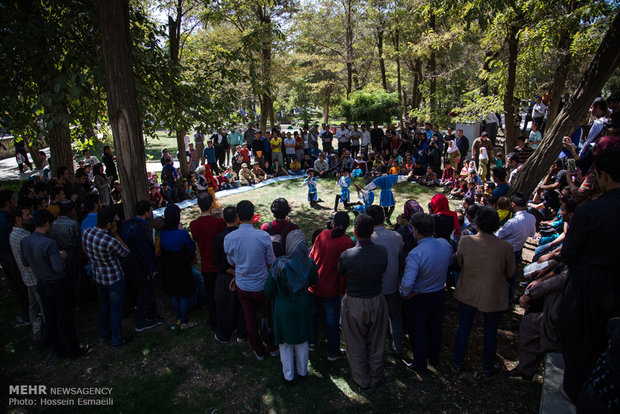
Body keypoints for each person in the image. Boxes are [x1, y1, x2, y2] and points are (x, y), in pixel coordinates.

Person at [558, 144, 620, 403]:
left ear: (603, 175)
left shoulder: (592, 210)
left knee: (581, 338)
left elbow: (569, 252)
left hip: (589, 283)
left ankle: (578, 390)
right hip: (615, 283)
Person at [451, 206, 515, 379]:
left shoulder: (466, 241)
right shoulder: (505, 247)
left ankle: (457, 362)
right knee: (490, 330)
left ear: (477, 223)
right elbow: (510, 273)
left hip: (469, 290)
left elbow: (460, 263)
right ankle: (487, 368)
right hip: (493, 293)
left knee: (464, 327)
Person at [20, 210, 89, 358]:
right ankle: (73, 349)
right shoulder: (49, 243)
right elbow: (58, 268)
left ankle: (58, 349)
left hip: (41, 283)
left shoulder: (25, 241)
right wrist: (62, 258)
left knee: (50, 317)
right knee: (65, 317)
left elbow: (25, 263)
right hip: (57, 284)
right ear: (47, 224)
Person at [338, 214, 389, 389]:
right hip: (376, 299)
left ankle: (361, 379)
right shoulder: (382, 252)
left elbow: (341, 272)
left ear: (355, 232)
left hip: (354, 302)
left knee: (354, 343)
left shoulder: (347, 255)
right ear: (373, 230)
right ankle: (376, 376)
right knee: (377, 341)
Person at [224, 200, 278, 360]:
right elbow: (271, 261)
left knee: (249, 317)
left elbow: (231, 262)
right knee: (270, 315)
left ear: (238, 217)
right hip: (260, 285)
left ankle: (258, 350)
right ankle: (273, 346)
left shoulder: (230, 238)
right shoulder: (262, 236)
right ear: (253, 215)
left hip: (243, 284)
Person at [400, 213, 453, 372]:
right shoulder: (445, 244)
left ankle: (420, 363)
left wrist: (404, 293)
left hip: (419, 297)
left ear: (416, 231)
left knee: (418, 330)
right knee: (436, 327)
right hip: (438, 293)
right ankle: (434, 357)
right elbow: (449, 262)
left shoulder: (416, 254)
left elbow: (407, 283)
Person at [265, 230, 318, 383]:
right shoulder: (310, 264)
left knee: (285, 343)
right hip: (303, 304)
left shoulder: (278, 265)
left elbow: (268, 290)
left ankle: (289, 375)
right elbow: (314, 280)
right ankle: (302, 372)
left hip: (283, 307)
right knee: (302, 340)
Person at [82, 206, 131, 347]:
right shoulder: (110, 241)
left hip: (98, 276)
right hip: (114, 278)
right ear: (109, 225)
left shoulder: (87, 232)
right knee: (115, 310)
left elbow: (85, 249)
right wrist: (116, 235)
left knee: (103, 306)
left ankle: (103, 334)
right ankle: (117, 338)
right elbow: (126, 252)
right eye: (114, 222)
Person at [309, 211, 354, 360]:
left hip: (314, 284)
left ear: (333, 223)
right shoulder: (347, 243)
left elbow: (311, 257)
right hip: (331, 289)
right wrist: (342, 290)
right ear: (347, 226)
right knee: (332, 320)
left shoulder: (322, 235)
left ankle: (312, 342)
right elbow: (344, 272)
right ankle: (332, 350)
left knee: (313, 316)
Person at [367, 205, 404, 358]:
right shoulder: (396, 237)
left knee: (376, 319)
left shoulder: (368, 240)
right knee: (395, 316)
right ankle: (397, 346)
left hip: (375, 286)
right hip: (393, 283)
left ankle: (377, 348)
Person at [121, 201, 163, 332]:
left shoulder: (127, 224)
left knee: (139, 292)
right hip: (140, 266)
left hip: (129, 264)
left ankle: (143, 316)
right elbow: (144, 251)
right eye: (150, 210)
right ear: (146, 212)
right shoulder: (139, 229)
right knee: (145, 293)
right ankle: (146, 319)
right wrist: (153, 267)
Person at [189, 191, 226, 331]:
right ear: (211, 204)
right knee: (221, 293)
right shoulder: (218, 223)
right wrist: (221, 213)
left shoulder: (193, 224)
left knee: (210, 294)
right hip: (218, 264)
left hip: (205, 264)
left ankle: (213, 319)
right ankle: (223, 317)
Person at [160, 205, 198, 330]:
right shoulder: (182, 234)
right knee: (183, 294)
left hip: (168, 267)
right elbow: (191, 248)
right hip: (182, 267)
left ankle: (178, 318)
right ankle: (184, 320)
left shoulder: (162, 234)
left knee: (174, 293)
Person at [212, 206, 246, 343]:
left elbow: (217, 260)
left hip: (226, 275)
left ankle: (225, 333)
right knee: (242, 305)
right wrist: (235, 272)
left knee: (224, 306)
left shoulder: (219, 237)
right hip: (240, 273)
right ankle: (241, 333)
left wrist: (230, 271)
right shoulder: (241, 236)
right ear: (237, 219)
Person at [9, 206, 43, 342]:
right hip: (34, 277)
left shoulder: (13, 234)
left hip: (26, 277)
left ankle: (36, 332)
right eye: (27, 214)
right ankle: (46, 335)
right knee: (43, 306)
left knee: (33, 306)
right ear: (18, 219)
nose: (31, 216)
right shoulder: (24, 237)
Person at [496, 193, 536, 304]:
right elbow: (532, 234)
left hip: (506, 251)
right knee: (511, 276)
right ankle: (508, 299)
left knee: (502, 276)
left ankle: (501, 300)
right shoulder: (531, 218)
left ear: (513, 204)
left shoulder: (513, 222)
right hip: (518, 249)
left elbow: (498, 235)